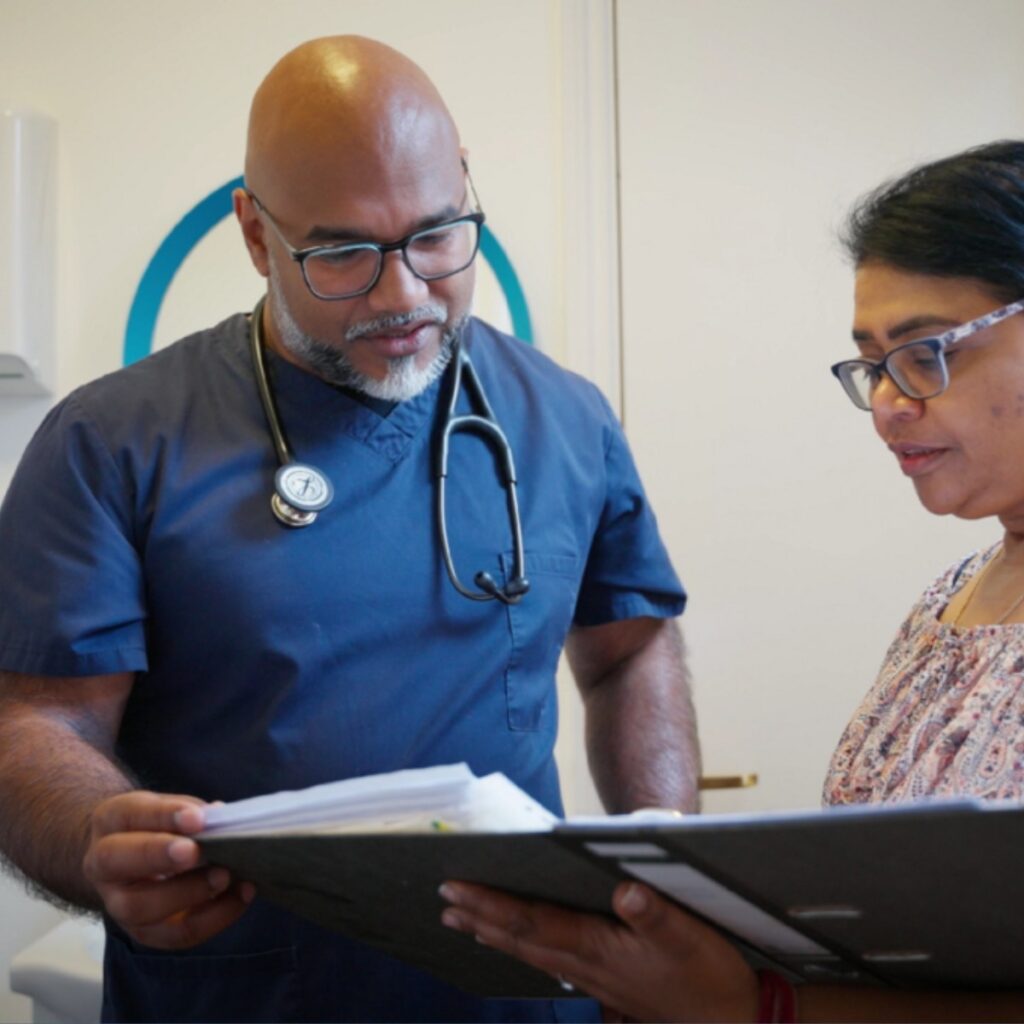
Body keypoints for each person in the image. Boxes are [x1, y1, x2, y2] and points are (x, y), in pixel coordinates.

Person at [0, 36, 700, 1024]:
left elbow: (630, 653)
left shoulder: (565, 419)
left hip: (525, 996)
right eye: (342, 254)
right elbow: (37, 721)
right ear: (256, 235)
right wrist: (91, 837)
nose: (403, 293)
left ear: (466, 187)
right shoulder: (112, 443)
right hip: (245, 995)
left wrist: (660, 875)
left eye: (436, 236)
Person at [440, 140, 1024, 1022]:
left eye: (926, 353)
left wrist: (754, 1007)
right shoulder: (949, 605)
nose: (887, 405)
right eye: (873, 365)